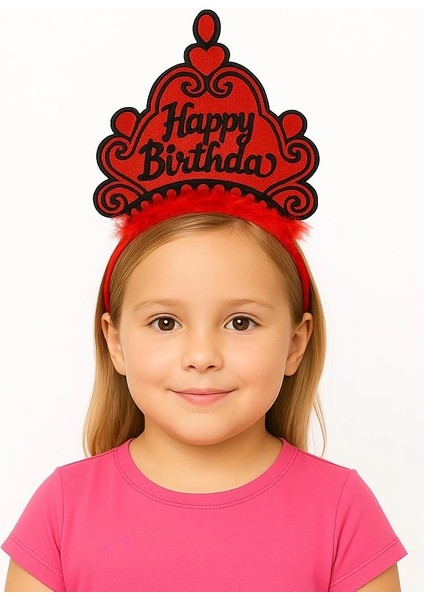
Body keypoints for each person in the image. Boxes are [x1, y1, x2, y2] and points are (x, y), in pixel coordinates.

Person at [2, 10, 406, 592]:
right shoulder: (62, 509)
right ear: (115, 341)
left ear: (296, 342)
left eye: (240, 322)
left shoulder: (343, 510)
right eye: (165, 322)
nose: (201, 356)